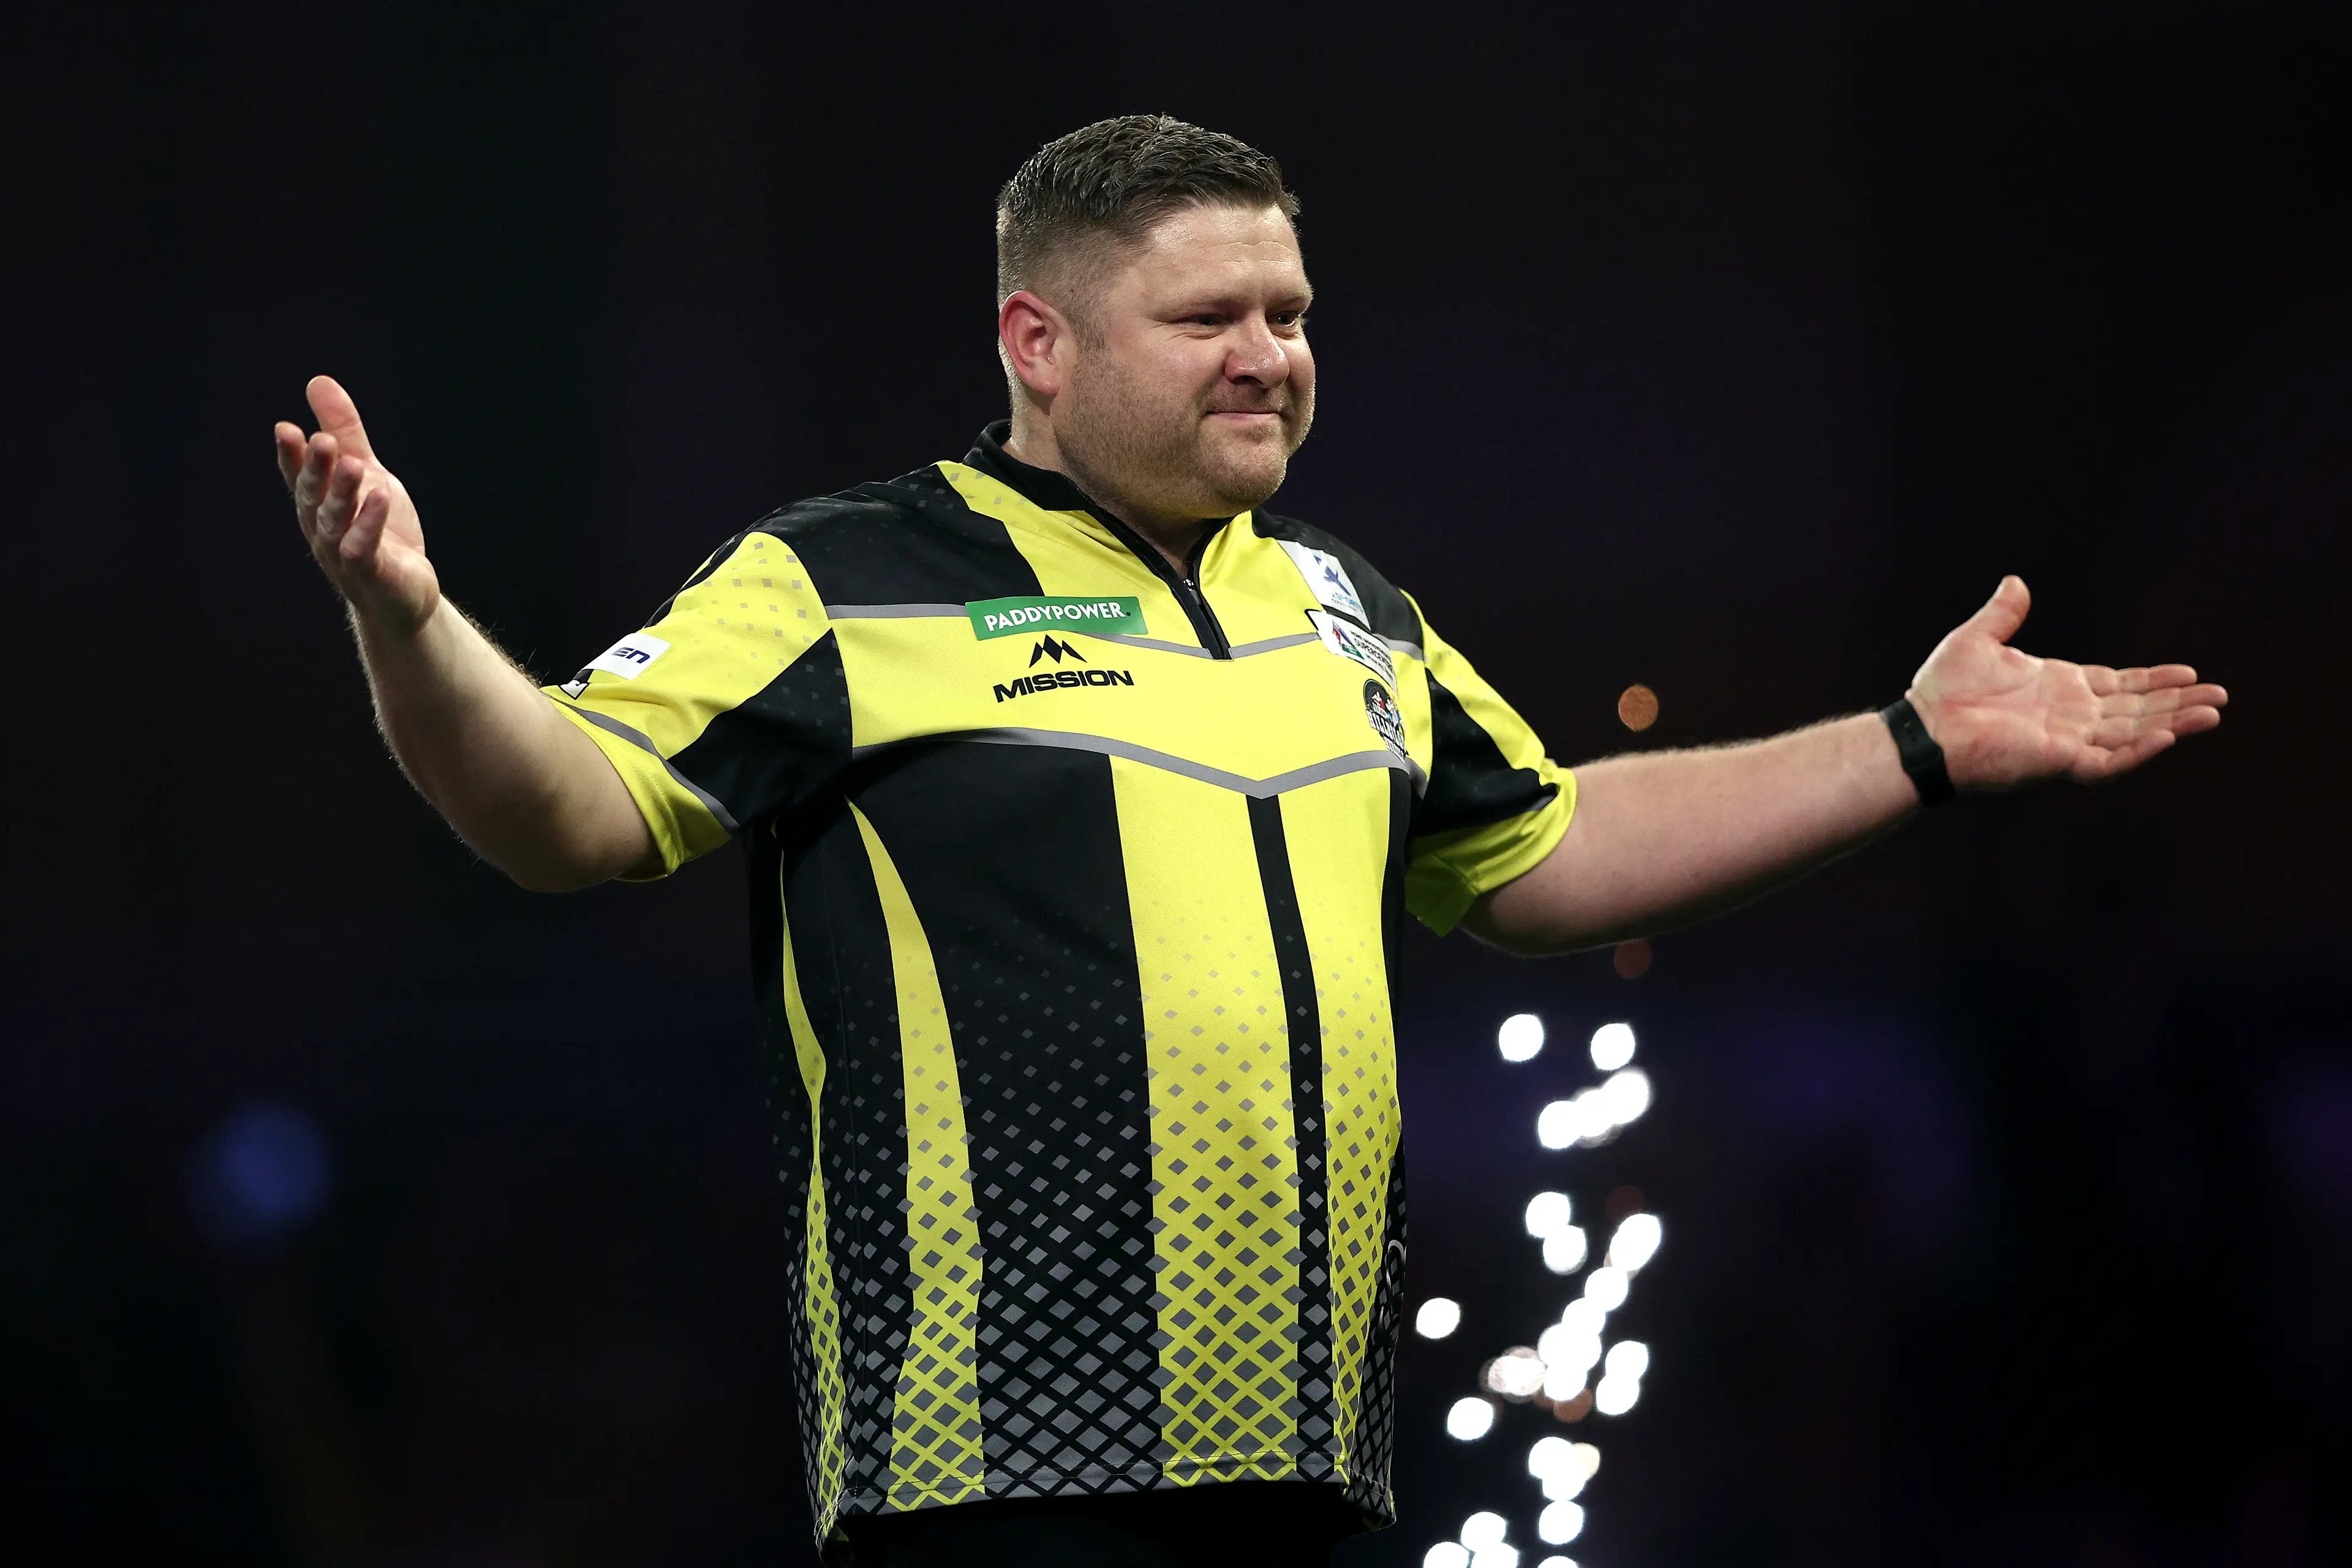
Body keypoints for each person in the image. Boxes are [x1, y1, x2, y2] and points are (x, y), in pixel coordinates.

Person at [273, 116, 2226, 1567]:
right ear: (1038, 342)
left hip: (1316, 1471)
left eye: (1289, 314)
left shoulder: (1344, 606)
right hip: (993, 1478)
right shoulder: (841, 579)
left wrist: (1910, 744)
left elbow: (1545, 850)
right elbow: (565, 813)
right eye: (1206, 315)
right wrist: (409, 625)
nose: (1267, 354)